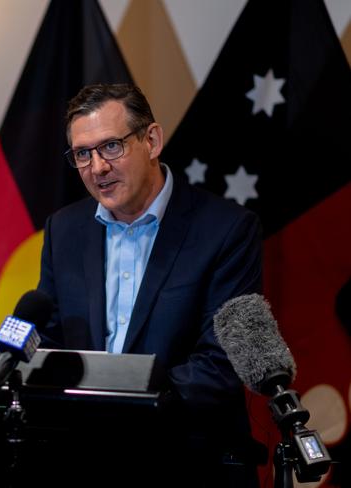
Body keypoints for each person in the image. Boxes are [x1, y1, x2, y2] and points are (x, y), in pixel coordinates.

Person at [37, 83, 265, 486]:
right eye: (82, 154)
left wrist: (119, 405)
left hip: (188, 461)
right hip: (84, 461)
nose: (98, 167)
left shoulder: (226, 230)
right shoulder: (64, 230)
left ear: (152, 140)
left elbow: (221, 364)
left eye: (111, 146)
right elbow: (53, 340)